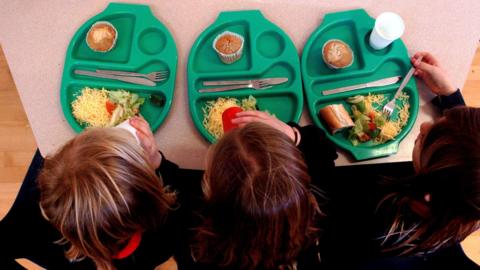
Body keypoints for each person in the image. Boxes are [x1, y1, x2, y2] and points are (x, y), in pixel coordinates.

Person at [0, 124, 198, 270]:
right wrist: (159, 163)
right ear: (152, 197)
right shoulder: (163, 233)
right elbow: (183, 197)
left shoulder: (33, 211)